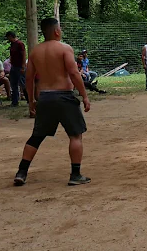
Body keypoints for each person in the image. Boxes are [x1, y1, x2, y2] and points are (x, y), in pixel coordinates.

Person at [13, 18, 91, 186]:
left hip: (45, 98)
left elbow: (29, 78)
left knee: (36, 136)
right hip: (64, 96)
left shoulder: (35, 51)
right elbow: (73, 73)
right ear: (56, 31)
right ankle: (75, 174)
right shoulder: (64, 48)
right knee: (75, 135)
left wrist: (32, 101)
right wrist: (84, 95)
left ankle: (21, 172)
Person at [6, 31, 27, 106]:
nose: (8, 39)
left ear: (11, 36)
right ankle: (15, 101)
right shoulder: (12, 44)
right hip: (13, 66)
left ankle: (29, 99)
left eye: (8, 37)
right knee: (13, 84)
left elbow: (24, 54)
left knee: (23, 83)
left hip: (19, 66)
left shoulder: (20, 44)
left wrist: (23, 66)